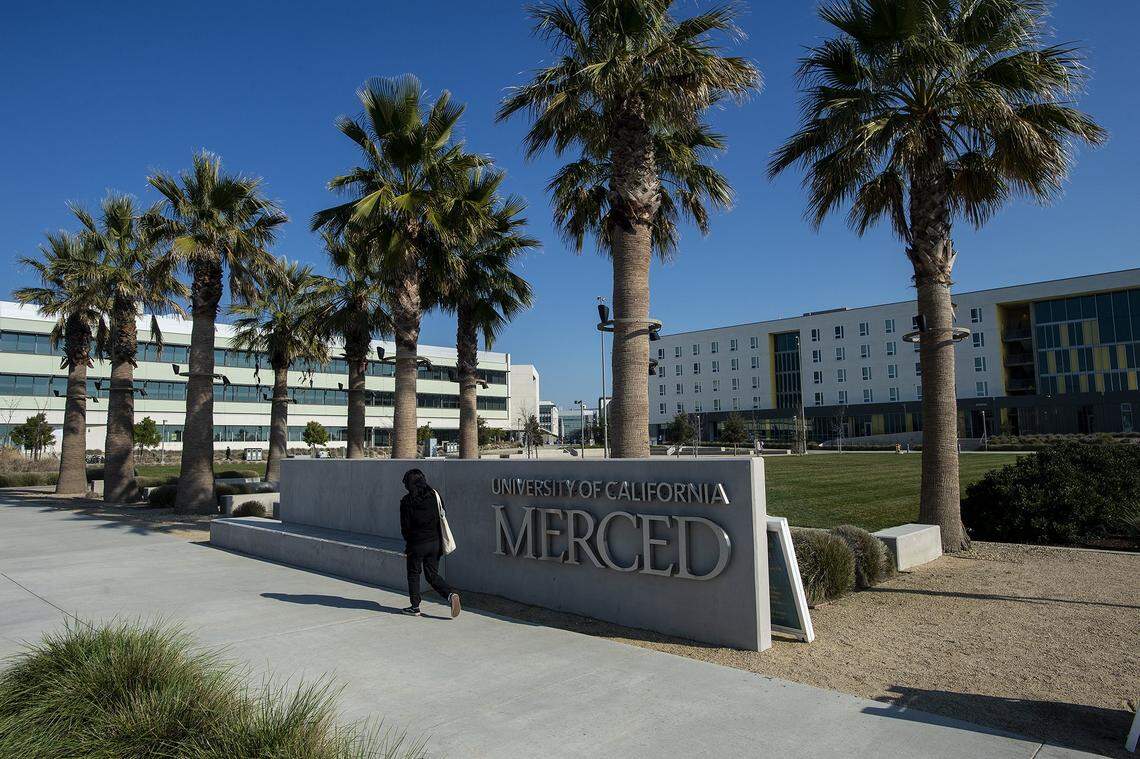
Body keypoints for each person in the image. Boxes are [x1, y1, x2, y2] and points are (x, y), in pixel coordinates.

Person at [399, 468, 461, 618]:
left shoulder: (406, 501)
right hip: (435, 543)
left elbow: (405, 527)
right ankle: (450, 594)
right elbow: (442, 513)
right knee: (432, 575)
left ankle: (415, 607)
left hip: (417, 544)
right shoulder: (434, 494)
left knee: (414, 574)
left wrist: (409, 543)